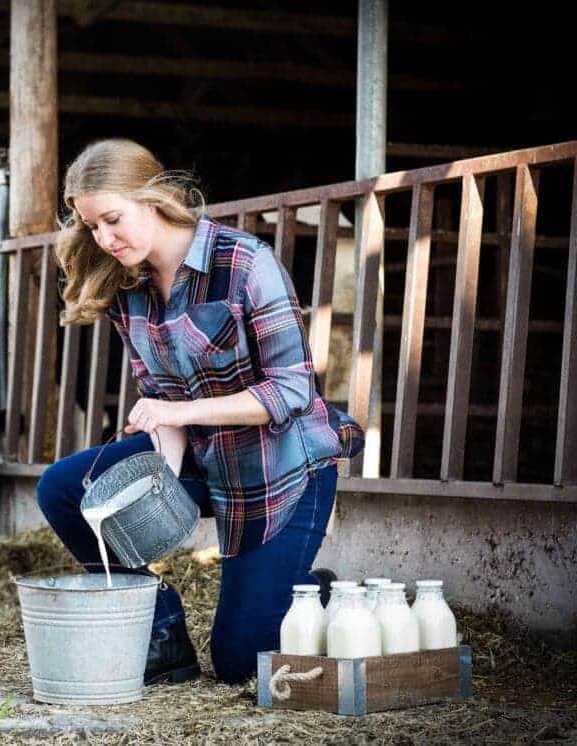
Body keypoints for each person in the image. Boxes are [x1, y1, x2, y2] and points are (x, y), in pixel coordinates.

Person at [35, 139, 364, 685]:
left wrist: (180, 413)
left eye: (112, 220)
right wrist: (159, 478)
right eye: (93, 228)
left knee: (240, 665)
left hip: (281, 470)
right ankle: (160, 627)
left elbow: (290, 392)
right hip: (206, 459)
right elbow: (163, 405)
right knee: (65, 488)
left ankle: (312, 594)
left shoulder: (244, 263)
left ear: (155, 199)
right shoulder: (129, 285)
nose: (104, 239)